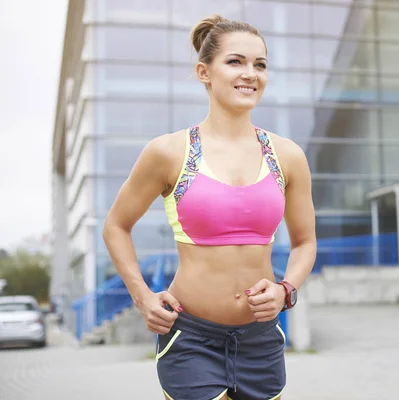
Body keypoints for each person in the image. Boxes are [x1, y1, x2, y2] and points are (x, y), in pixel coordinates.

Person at [102, 14, 317, 400]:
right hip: (191, 338)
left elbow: (305, 242)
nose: (250, 73)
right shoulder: (168, 152)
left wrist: (287, 290)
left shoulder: (287, 155)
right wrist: (142, 296)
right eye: (235, 61)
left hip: (260, 340)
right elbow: (116, 225)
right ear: (204, 71)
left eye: (260, 64)